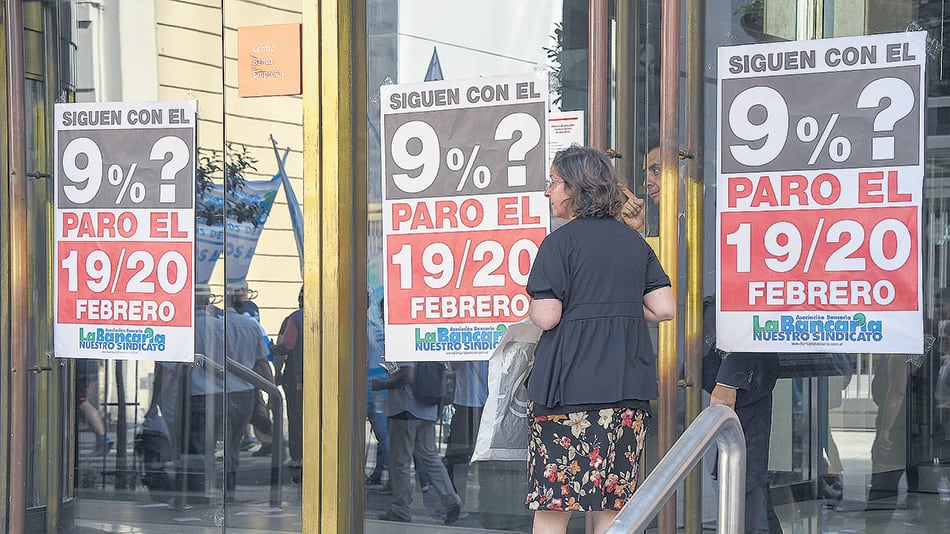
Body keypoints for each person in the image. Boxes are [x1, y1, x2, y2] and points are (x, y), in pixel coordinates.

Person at [524, 145, 676, 534]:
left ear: (576, 188)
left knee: (554, 506)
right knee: (612, 505)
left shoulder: (558, 244)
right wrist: (616, 303)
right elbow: (664, 308)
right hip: (625, 397)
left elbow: (547, 315)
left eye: (554, 182)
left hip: (568, 395)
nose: (548, 191)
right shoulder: (633, 243)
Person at [702, 295, 783, 533]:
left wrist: (730, 380)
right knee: (746, 486)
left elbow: (757, 318)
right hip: (725, 379)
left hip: (743, 387)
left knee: (748, 485)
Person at [371, 361, 462, 524]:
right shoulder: (428, 344)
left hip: (405, 408)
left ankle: (401, 509)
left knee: (400, 463)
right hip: (427, 408)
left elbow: (407, 375)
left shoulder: (405, 340)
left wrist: (383, 385)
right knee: (431, 458)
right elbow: (451, 367)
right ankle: (451, 502)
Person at [443, 360, 488, 507]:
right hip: (465, 403)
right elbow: (451, 367)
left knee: (482, 459)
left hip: (484, 403)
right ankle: (458, 502)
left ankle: (482, 505)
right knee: (457, 457)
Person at [273, 287, 305, 470]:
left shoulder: (294, 319)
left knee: (295, 417)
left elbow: (284, 347)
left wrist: (277, 372)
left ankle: (298, 456)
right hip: (324, 378)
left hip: (296, 378)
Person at [76, 358, 114, 455]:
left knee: (81, 402)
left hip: (81, 366)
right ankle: (101, 440)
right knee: (80, 403)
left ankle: (103, 439)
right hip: (87, 366)